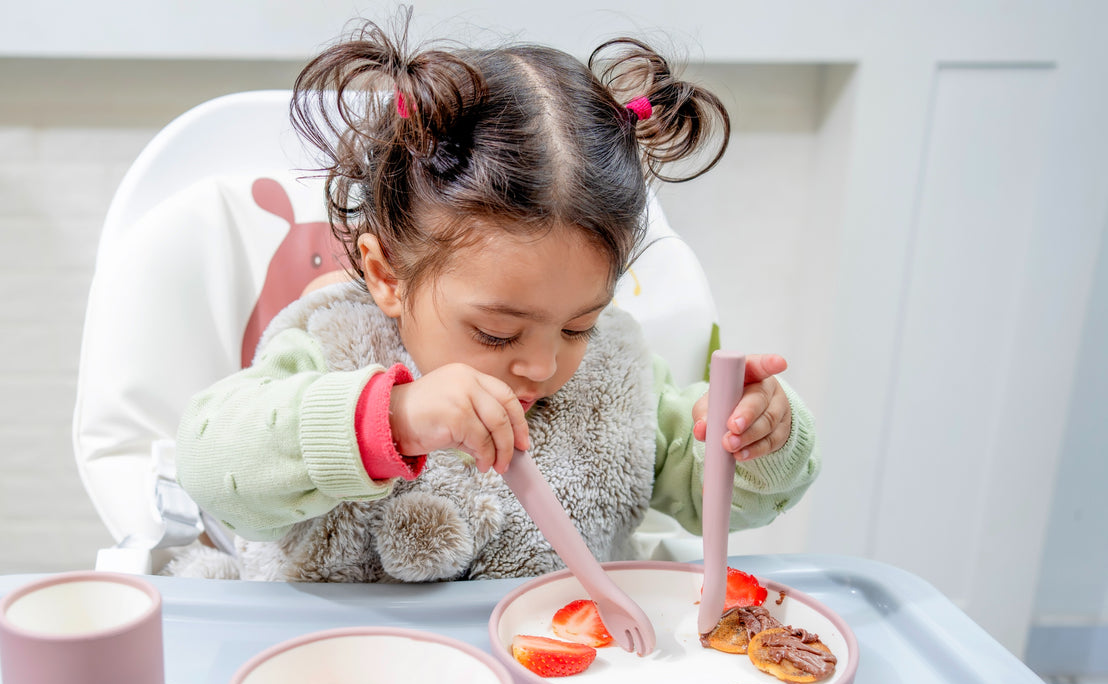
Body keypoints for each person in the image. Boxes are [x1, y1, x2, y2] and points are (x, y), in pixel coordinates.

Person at [170, 17, 819, 582]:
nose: (542, 365)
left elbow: (726, 504)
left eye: (577, 326)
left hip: (553, 680)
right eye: (497, 333)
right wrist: (389, 417)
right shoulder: (336, 347)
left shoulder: (613, 380)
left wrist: (757, 442)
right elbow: (210, 463)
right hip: (343, 682)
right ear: (388, 275)